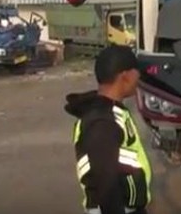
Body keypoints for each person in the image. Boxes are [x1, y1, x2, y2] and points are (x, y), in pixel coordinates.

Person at [64, 45, 153, 214]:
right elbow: (105, 182)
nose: (139, 77)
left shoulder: (112, 112)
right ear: (125, 76)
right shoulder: (102, 121)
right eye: (137, 72)